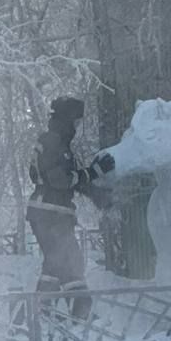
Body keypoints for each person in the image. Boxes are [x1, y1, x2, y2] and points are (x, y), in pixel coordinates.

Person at [26, 96, 113, 319]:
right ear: (66, 120)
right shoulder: (53, 142)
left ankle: (42, 312)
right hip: (51, 213)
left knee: (54, 262)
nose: (76, 128)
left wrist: (95, 192)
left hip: (48, 212)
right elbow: (59, 180)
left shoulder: (51, 142)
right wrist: (91, 173)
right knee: (70, 258)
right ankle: (81, 312)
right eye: (75, 122)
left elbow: (58, 179)